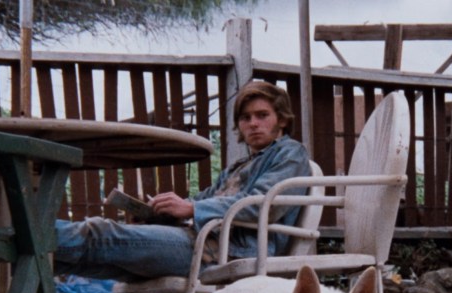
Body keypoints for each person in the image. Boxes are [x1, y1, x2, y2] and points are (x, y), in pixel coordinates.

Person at [53, 80, 311, 281]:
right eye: (245, 118)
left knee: (101, 233)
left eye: (262, 115)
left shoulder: (291, 152)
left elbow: (266, 204)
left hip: (227, 252)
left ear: (282, 119)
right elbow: (204, 198)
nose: (253, 123)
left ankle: (27, 234)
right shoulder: (240, 166)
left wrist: (192, 208)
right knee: (75, 259)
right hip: (201, 241)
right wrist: (163, 212)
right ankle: (27, 248)